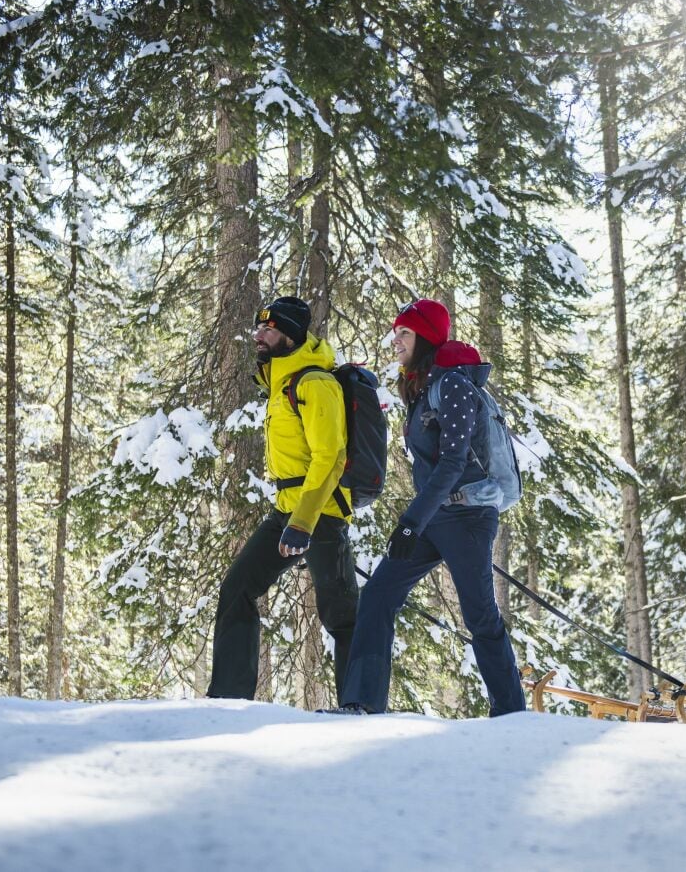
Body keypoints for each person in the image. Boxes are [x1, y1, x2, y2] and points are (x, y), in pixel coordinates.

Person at [337, 298, 526, 716]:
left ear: (426, 335)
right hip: (434, 517)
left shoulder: (454, 384)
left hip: (467, 518)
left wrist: (409, 523)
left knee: (480, 618)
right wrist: (417, 522)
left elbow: (453, 461)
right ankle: (362, 703)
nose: (396, 340)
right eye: (396, 332)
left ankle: (512, 715)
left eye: (404, 332)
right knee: (378, 596)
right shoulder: (424, 387)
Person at [206, 296, 359, 703]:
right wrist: (292, 517)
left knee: (341, 615)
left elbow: (332, 458)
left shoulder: (315, 383)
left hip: (320, 512)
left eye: (268, 329)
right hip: (288, 510)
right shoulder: (282, 383)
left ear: (289, 335)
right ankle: (229, 698)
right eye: (259, 327)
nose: (258, 335)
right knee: (237, 588)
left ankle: (360, 705)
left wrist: (304, 522)